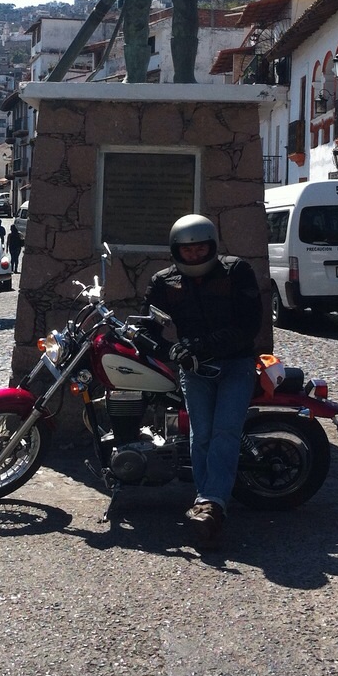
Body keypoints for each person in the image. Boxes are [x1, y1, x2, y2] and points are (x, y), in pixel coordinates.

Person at [144, 214, 262, 551]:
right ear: (176, 250)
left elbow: (248, 324)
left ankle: (210, 504)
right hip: (194, 369)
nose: (194, 254)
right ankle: (208, 503)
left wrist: (199, 346)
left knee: (224, 431)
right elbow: (148, 328)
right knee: (201, 435)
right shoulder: (164, 281)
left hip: (235, 363)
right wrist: (171, 349)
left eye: (200, 248)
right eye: (188, 249)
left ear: (211, 246)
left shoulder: (236, 271)